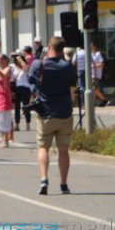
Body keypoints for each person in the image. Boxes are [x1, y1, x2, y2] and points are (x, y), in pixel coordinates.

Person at [28, 37, 76, 196]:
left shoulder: (39, 64)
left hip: (45, 112)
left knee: (43, 147)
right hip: (64, 112)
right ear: (62, 49)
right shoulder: (67, 66)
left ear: (48, 47)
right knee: (63, 149)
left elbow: (31, 80)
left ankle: (44, 180)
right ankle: (63, 184)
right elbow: (72, 88)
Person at [12, 52, 32, 131]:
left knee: (26, 106)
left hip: (25, 88)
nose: (17, 61)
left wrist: (21, 60)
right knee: (16, 107)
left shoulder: (25, 66)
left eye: (19, 59)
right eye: (16, 60)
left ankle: (28, 124)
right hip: (17, 88)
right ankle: (17, 124)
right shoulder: (14, 68)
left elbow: (26, 69)